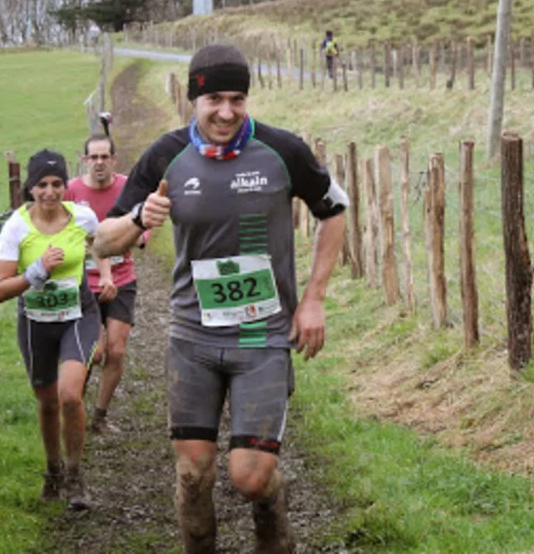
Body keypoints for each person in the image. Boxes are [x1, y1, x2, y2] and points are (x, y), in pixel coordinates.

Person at [94, 44, 348, 553]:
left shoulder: (283, 150)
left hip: (261, 336)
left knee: (250, 477)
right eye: (214, 100)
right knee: (193, 475)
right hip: (193, 338)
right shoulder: (166, 156)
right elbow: (102, 241)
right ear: (195, 99)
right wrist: (140, 217)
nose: (227, 112)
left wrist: (314, 299)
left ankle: (273, 520)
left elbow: (335, 210)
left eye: (237, 99)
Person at [0, 149, 110, 511]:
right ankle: (53, 470)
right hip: (36, 323)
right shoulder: (16, 228)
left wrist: (105, 274)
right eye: (42, 184)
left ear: (65, 185)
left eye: (57, 183)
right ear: (30, 188)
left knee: (70, 395)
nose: (50, 191)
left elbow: (101, 245)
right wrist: (37, 271)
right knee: (47, 403)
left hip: (78, 315)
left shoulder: (83, 217)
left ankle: (75, 475)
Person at [64, 133, 148, 434]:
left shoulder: (128, 188)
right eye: (93, 157)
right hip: (83, 282)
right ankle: (74, 406)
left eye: (104, 157)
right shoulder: (71, 191)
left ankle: (100, 416)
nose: (99, 163)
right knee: (94, 352)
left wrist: (133, 237)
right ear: (85, 160)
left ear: (114, 160)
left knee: (117, 350)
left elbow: (142, 226)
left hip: (122, 278)